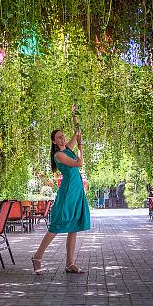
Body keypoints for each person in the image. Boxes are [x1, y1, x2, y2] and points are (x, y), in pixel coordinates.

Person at [31, 117, 90, 274]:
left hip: (77, 191)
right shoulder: (59, 155)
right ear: (54, 142)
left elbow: (77, 133)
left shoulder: (67, 149)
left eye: (63, 135)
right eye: (59, 137)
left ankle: (70, 263)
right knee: (57, 225)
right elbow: (79, 163)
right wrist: (81, 146)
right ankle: (37, 257)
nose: (63, 138)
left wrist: (75, 116)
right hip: (68, 191)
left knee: (74, 227)